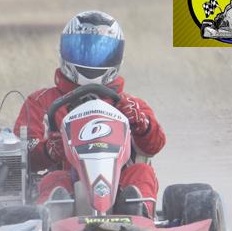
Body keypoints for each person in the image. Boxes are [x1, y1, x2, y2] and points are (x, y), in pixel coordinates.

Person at [14, 11, 165, 217]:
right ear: (64, 51)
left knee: (142, 172)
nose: (91, 58)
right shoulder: (42, 102)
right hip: (69, 181)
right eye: (82, 49)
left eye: (101, 50)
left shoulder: (130, 105)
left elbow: (154, 145)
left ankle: (138, 214)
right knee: (54, 180)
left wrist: (141, 124)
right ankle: (53, 221)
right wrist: (48, 151)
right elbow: (24, 153)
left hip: (117, 183)